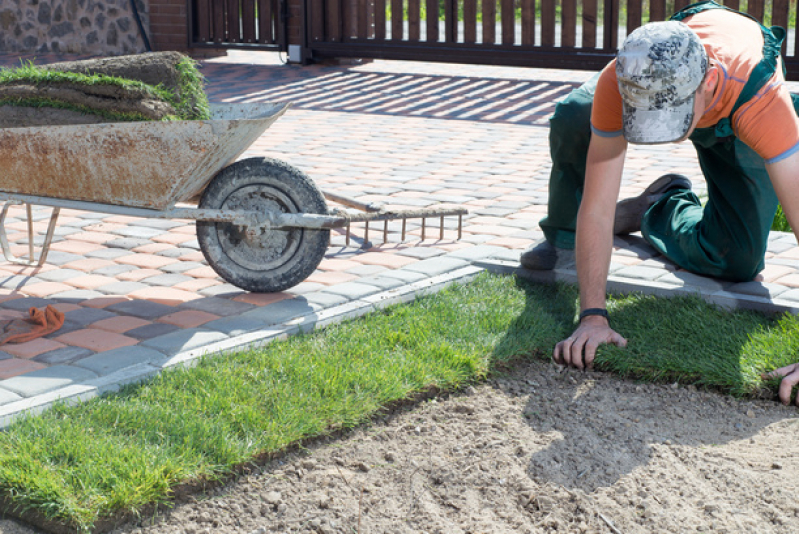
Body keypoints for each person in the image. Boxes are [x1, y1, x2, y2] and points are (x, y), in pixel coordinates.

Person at [520, 0, 799, 405]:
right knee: (574, 113)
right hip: (683, 76)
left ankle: (660, 205)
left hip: (736, 106)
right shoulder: (622, 80)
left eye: (672, 117)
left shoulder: (762, 104)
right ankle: (564, 234)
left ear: (706, 83)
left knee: (737, 262)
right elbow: (598, 204)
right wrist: (592, 316)